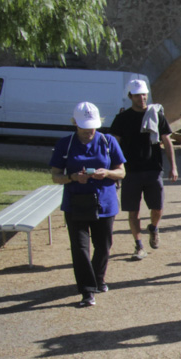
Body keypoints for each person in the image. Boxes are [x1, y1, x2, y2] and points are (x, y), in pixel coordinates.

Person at [49, 102, 126, 308]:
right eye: (84, 126)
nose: (88, 131)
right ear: (75, 123)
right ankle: (87, 290)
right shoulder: (65, 144)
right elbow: (56, 176)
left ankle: (98, 279)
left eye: (92, 126)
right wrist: (73, 177)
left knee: (103, 246)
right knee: (80, 248)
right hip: (76, 203)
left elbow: (121, 172)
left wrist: (106, 173)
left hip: (105, 202)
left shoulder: (108, 141)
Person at [109, 79, 178, 260]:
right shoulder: (122, 119)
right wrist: (113, 168)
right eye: (138, 95)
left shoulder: (156, 115)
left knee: (157, 208)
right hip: (131, 171)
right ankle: (138, 245)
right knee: (133, 211)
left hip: (153, 169)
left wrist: (173, 167)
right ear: (130, 96)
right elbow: (114, 143)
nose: (142, 98)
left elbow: (167, 141)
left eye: (144, 94)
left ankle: (154, 228)